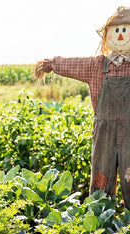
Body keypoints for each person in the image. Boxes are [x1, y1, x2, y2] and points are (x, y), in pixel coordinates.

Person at [33, 6, 130, 209]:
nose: (120, 36)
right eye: (117, 30)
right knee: (102, 177)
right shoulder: (97, 65)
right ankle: (101, 221)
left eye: (125, 30)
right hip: (105, 133)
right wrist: (50, 64)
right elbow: (73, 64)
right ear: (108, 35)